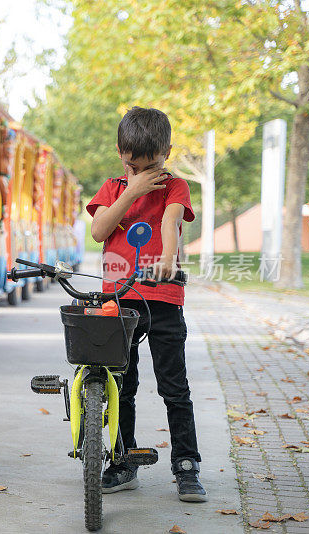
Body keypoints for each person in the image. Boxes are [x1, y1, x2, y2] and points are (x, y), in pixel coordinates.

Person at [86, 106, 205, 502]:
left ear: (166, 152)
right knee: (122, 386)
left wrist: (167, 263)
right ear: (120, 151)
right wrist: (132, 191)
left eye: (150, 166)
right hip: (118, 301)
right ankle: (122, 462)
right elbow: (100, 229)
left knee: (174, 387)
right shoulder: (113, 187)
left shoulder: (176, 186)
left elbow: (171, 223)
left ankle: (186, 466)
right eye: (132, 166)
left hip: (164, 300)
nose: (142, 174)